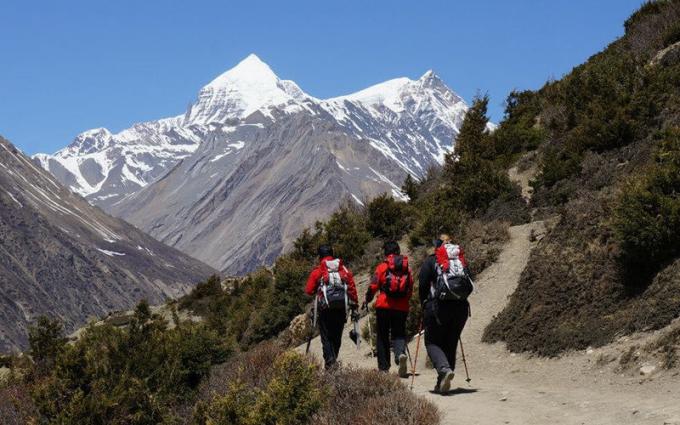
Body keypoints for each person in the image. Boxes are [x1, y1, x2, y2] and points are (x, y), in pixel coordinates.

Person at [418, 234, 472, 394]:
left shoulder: (432, 260)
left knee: (432, 342)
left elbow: (422, 284)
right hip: (461, 307)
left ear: (438, 246)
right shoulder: (459, 260)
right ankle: (442, 381)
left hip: (438, 307)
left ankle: (443, 369)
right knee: (451, 342)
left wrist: (423, 303)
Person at [364, 240, 414, 377]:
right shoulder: (407, 268)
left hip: (384, 305)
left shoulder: (382, 267)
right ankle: (400, 354)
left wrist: (367, 299)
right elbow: (410, 287)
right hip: (401, 306)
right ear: (398, 251)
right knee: (398, 333)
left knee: (382, 336)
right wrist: (405, 300)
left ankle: (384, 369)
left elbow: (374, 286)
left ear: (385, 253)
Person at [305, 244, 358, 369]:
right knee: (336, 337)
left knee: (326, 338)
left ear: (320, 256)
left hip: (325, 310)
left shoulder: (318, 271)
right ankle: (332, 363)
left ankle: (330, 363)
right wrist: (355, 304)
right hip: (341, 308)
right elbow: (351, 288)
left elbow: (308, 290)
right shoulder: (343, 270)